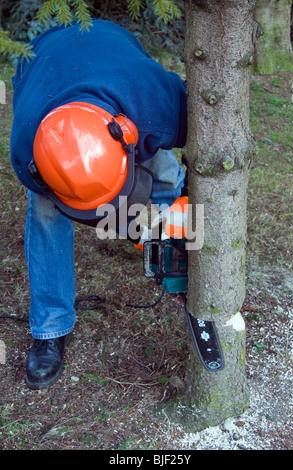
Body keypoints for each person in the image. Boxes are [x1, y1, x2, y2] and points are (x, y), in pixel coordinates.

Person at [10, 18, 187, 389]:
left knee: (167, 173)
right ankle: (51, 326)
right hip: (42, 59)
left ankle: (175, 248)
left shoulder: (160, 99)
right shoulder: (27, 150)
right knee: (43, 213)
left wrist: (181, 217)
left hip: (112, 48)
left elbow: (212, 146)